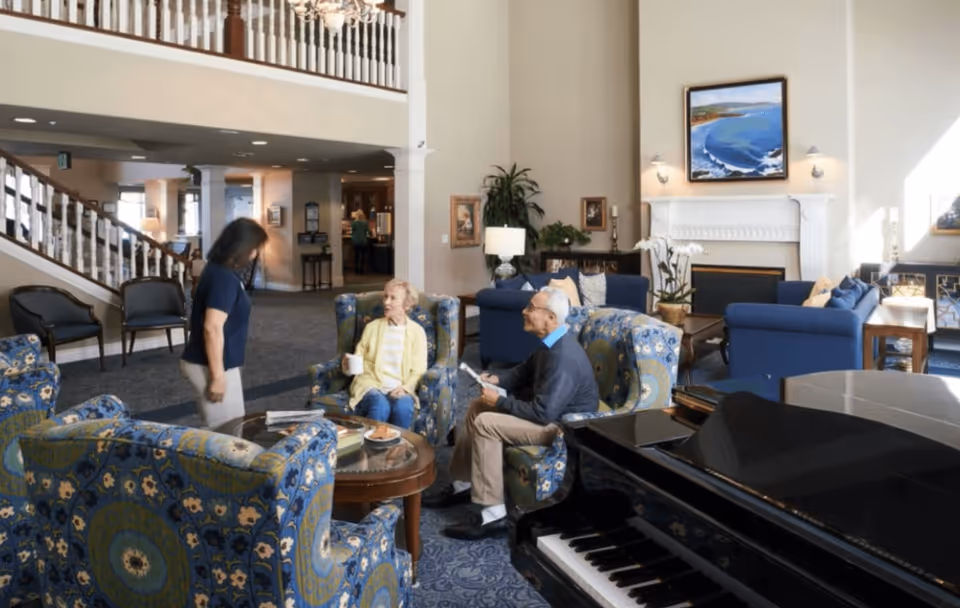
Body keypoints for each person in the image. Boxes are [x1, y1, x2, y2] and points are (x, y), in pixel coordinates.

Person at [426, 287, 599, 540]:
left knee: (486, 422)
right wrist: (497, 378)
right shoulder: (551, 342)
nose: (524, 311)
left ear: (550, 317)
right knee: (477, 406)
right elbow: (522, 372)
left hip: (562, 428)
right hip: (549, 415)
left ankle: (494, 514)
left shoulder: (562, 356)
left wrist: (500, 401)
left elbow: (542, 413)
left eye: (531, 308)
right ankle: (463, 483)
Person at [180, 218, 268, 429]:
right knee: (227, 433)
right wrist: (217, 377)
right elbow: (212, 327)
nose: (256, 254)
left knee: (229, 428)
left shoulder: (218, 270)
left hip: (217, 361)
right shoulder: (223, 278)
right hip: (209, 364)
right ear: (243, 247)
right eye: (255, 248)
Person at [343, 279, 428, 429]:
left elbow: (419, 369)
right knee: (380, 405)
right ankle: (371, 450)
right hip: (371, 383)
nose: (386, 302)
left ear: (407, 305)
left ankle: (397, 450)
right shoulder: (372, 328)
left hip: (399, 386)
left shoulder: (417, 332)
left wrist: (406, 388)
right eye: (385, 296)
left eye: (393, 298)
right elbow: (358, 362)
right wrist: (347, 365)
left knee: (403, 406)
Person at [351, 210, 370, 274]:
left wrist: (353, 237)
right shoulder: (365, 222)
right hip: (363, 241)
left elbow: (352, 231)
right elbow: (367, 231)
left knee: (356, 256)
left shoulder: (354, 223)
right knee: (362, 256)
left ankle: (356, 270)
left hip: (356, 241)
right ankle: (362, 270)